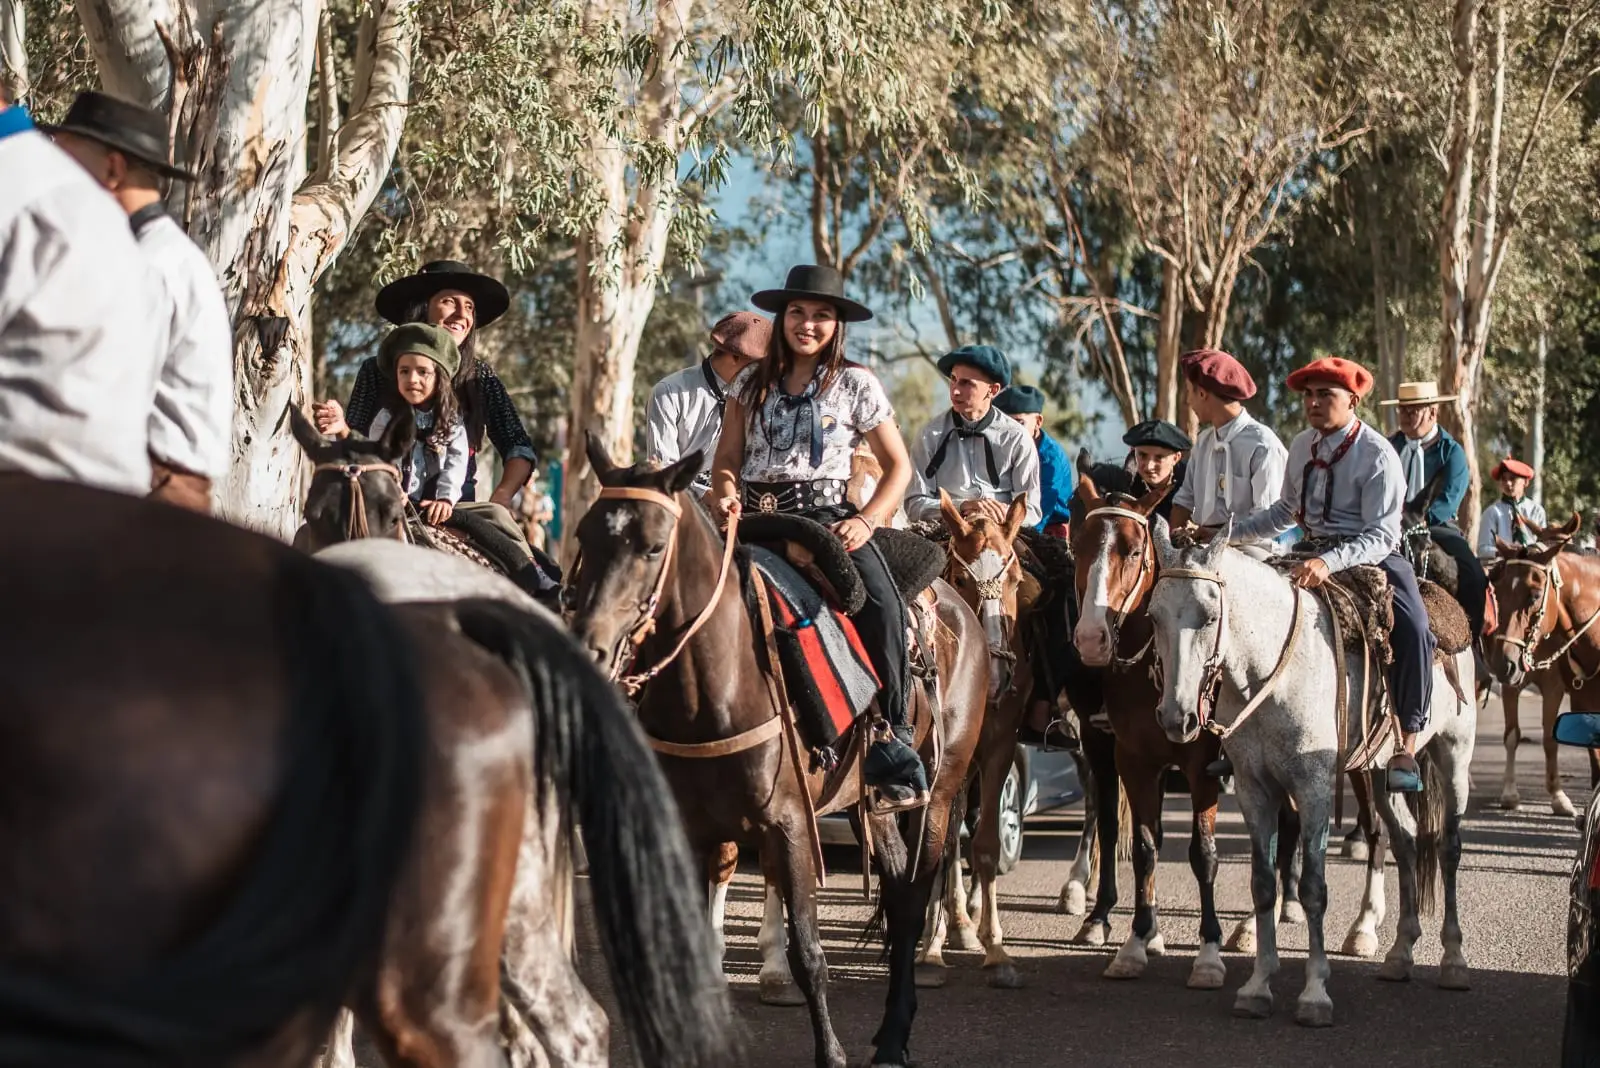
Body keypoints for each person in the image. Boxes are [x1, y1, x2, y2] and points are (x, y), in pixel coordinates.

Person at [709, 264, 925, 809]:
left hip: (828, 519)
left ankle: (894, 737)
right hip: (754, 519)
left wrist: (867, 519)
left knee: (880, 603)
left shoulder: (857, 383)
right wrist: (726, 494)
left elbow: (898, 467)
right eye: (798, 313)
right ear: (782, 318)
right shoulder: (747, 383)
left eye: (821, 315)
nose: (807, 324)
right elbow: (727, 459)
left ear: (836, 325)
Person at [1230, 357, 1435, 792]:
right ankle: (1236, 733)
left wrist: (1329, 562)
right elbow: (1284, 512)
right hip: (1308, 549)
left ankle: (1407, 743)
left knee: (1415, 626)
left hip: (1371, 556)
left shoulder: (1378, 454)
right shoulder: (1300, 444)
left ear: (1353, 401)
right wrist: (1227, 536)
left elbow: (1381, 535)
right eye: (1309, 395)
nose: (1313, 402)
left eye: (1325, 394)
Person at [47, 91, 233, 514]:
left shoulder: (149, 266)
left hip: (151, 497)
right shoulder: (161, 257)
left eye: (67, 162)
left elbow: (105, 404)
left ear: (113, 169)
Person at [0, 81, 163, 495]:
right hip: (96, 503)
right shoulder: (87, 207)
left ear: (114, 168)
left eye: (69, 144)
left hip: (32, 503)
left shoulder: (17, 187)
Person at [316, 260, 542, 557]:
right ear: (422, 308)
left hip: (457, 507)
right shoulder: (375, 371)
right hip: (383, 501)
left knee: (518, 555)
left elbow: (518, 446)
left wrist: (499, 499)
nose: (463, 315)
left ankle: (540, 582)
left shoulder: (480, 377)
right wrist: (340, 427)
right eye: (449, 302)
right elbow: (358, 445)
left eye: (470, 307)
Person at [320, 323, 469, 525]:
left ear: (439, 378)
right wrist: (392, 487)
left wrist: (445, 499)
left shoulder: (451, 420)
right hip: (394, 502)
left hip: (436, 507)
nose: (412, 379)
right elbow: (377, 456)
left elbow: (456, 461)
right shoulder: (386, 417)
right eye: (404, 371)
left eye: (423, 372)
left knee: (492, 521)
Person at [1382, 381, 1488, 640]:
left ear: (1432, 412)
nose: (1405, 415)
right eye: (1402, 410)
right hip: (1387, 525)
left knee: (1473, 576)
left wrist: (1417, 521)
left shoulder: (1451, 452)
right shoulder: (1388, 446)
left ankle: (1473, 643)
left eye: (1413, 410)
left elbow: (1449, 497)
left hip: (1435, 526)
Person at [905, 344, 1041, 527]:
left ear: (993, 390)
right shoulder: (929, 435)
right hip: (944, 530)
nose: (955, 391)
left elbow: (1031, 510)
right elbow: (914, 505)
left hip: (1001, 532)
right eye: (953, 380)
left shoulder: (1017, 438)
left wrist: (1001, 513)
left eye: (966, 383)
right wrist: (961, 506)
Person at [1169, 349, 1287, 555]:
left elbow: (1267, 519)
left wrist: (1221, 536)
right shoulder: (1203, 442)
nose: (1188, 401)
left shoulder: (1263, 445)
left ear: (1202, 394)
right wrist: (1172, 543)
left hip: (1251, 550)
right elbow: (1184, 500)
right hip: (1201, 546)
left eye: (1189, 392)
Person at [645, 311, 771, 496]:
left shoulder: (768, 397)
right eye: (760, 364)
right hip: (686, 501)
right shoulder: (669, 393)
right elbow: (664, 471)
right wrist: (706, 495)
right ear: (734, 357)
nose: (766, 372)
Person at [993, 384, 1073, 536]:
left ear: (1038, 422)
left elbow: (1041, 512)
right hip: (1008, 521)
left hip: (1047, 528)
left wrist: (1011, 535)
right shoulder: (1002, 448)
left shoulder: (1050, 459)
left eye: (1019, 423)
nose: (1013, 431)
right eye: (1006, 423)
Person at [1120, 419, 1191, 523]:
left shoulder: (1192, 485)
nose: (1149, 466)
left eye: (1159, 457)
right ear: (1133, 452)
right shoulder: (1123, 486)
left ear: (1176, 458)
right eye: (1142, 455)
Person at [1477, 457, 1546, 558]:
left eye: (1513, 479)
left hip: (1532, 562)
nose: (1508, 483)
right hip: (1502, 563)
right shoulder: (1492, 512)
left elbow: (1544, 544)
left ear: (1525, 482)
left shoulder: (1537, 510)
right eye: (1503, 479)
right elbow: (1482, 549)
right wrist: (1504, 552)